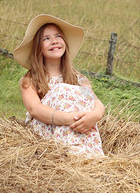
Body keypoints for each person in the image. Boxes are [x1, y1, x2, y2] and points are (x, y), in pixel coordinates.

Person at [14, 14, 105, 157]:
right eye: (46, 38)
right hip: (44, 133)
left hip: (76, 126)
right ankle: (70, 152)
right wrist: (71, 119)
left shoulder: (78, 78)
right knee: (62, 90)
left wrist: (94, 116)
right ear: (38, 48)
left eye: (58, 36)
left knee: (80, 96)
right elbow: (35, 109)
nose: (54, 41)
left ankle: (88, 154)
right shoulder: (30, 80)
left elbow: (96, 102)